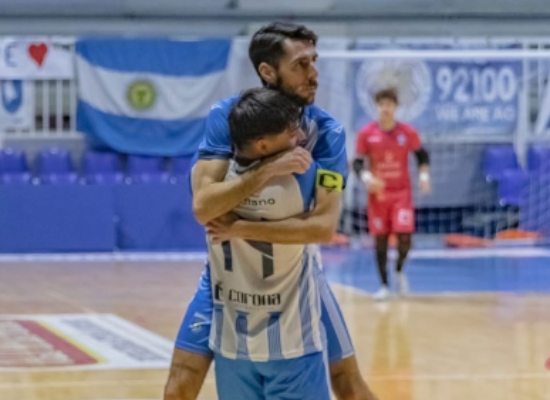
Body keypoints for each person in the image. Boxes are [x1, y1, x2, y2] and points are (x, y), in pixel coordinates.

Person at [164, 22, 377, 400]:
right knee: (180, 383)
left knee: (348, 382)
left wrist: (240, 228)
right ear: (267, 71)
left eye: (314, 61)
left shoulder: (328, 134)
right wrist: (268, 170)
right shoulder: (227, 117)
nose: (314, 74)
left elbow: (325, 227)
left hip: (294, 280)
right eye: (301, 65)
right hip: (225, 279)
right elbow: (203, 207)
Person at [206, 87, 331, 400]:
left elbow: (199, 207)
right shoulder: (305, 174)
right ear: (263, 144)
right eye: (291, 133)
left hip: (233, 345)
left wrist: (238, 228)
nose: (301, 137)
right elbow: (324, 229)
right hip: (293, 342)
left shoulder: (216, 184)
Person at [353, 88, 431, 301]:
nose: (385, 109)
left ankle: (398, 271)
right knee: (381, 240)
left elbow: (422, 156)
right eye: (381, 105)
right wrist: (367, 178)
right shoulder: (367, 134)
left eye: (389, 105)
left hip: (401, 194)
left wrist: (424, 176)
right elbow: (358, 163)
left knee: (405, 236)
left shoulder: (407, 132)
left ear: (396, 108)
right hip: (378, 196)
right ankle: (384, 285)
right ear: (376, 107)